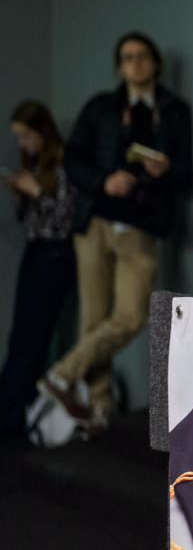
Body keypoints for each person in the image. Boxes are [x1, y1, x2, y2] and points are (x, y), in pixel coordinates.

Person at [37, 31, 193, 436]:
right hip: (95, 224)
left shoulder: (174, 111)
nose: (135, 63)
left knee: (129, 315)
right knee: (93, 318)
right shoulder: (101, 108)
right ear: (119, 67)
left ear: (155, 63)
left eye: (142, 56)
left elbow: (186, 172)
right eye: (127, 58)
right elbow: (72, 159)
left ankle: (61, 375)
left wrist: (166, 169)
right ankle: (98, 411)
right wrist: (104, 180)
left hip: (140, 226)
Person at [0, 101, 77, 437]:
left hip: (56, 255)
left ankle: (14, 417)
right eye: (18, 136)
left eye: (26, 135)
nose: (22, 143)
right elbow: (29, 220)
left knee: (35, 336)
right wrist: (21, 194)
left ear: (41, 131)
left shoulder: (64, 162)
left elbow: (64, 219)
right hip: (34, 253)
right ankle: (11, 410)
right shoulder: (31, 164)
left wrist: (37, 192)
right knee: (20, 335)